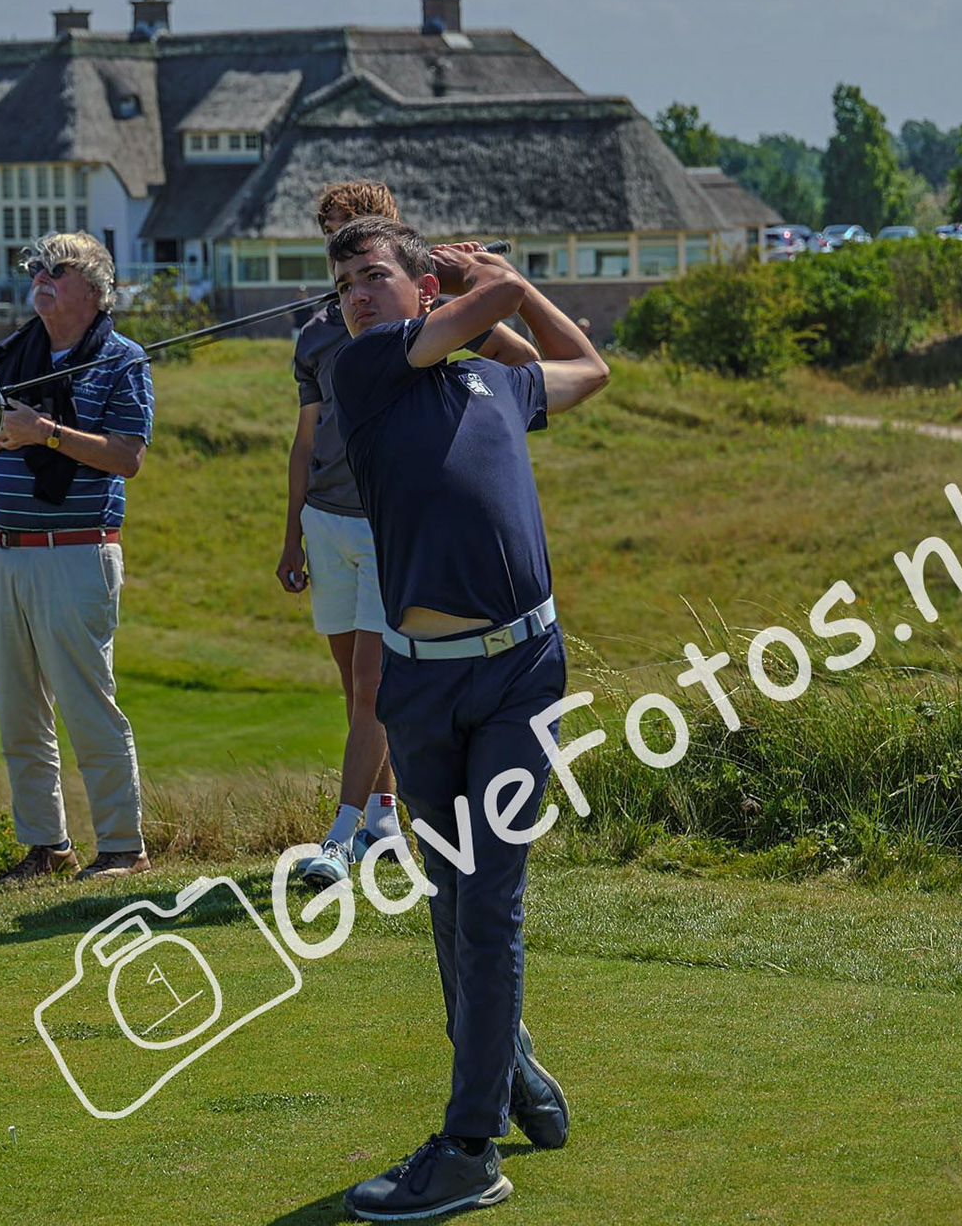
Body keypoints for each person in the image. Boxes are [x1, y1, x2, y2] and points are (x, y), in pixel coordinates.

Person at [324, 218, 608, 1220]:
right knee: (452, 898)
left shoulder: (495, 384)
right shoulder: (362, 373)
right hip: (420, 684)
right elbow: (484, 312)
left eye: (373, 276)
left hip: (523, 671)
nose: (355, 293)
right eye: (346, 281)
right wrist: (495, 282)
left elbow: (587, 368)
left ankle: (469, 1146)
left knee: (486, 903)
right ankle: (511, 1059)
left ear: (420, 284)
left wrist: (510, 293)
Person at [0, 232, 154, 882]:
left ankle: (123, 847)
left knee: (91, 706)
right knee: (19, 711)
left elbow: (127, 457)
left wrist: (48, 434)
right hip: (3, 555)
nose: (41, 277)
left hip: (76, 551)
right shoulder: (9, 357)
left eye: (57, 270)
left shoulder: (122, 360)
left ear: (95, 289)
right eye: (35, 268)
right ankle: (46, 845)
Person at [277, 181, 407, 891]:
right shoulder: (316, 333)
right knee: (353, 687)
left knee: (372, 685)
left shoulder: (417, 318)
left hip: (385, 521)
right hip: (324, 520)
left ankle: (344, 832)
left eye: (358, 231)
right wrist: (292, 533)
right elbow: (305, 441)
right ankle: (385, 815)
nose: (345, 244)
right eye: (333, 236)